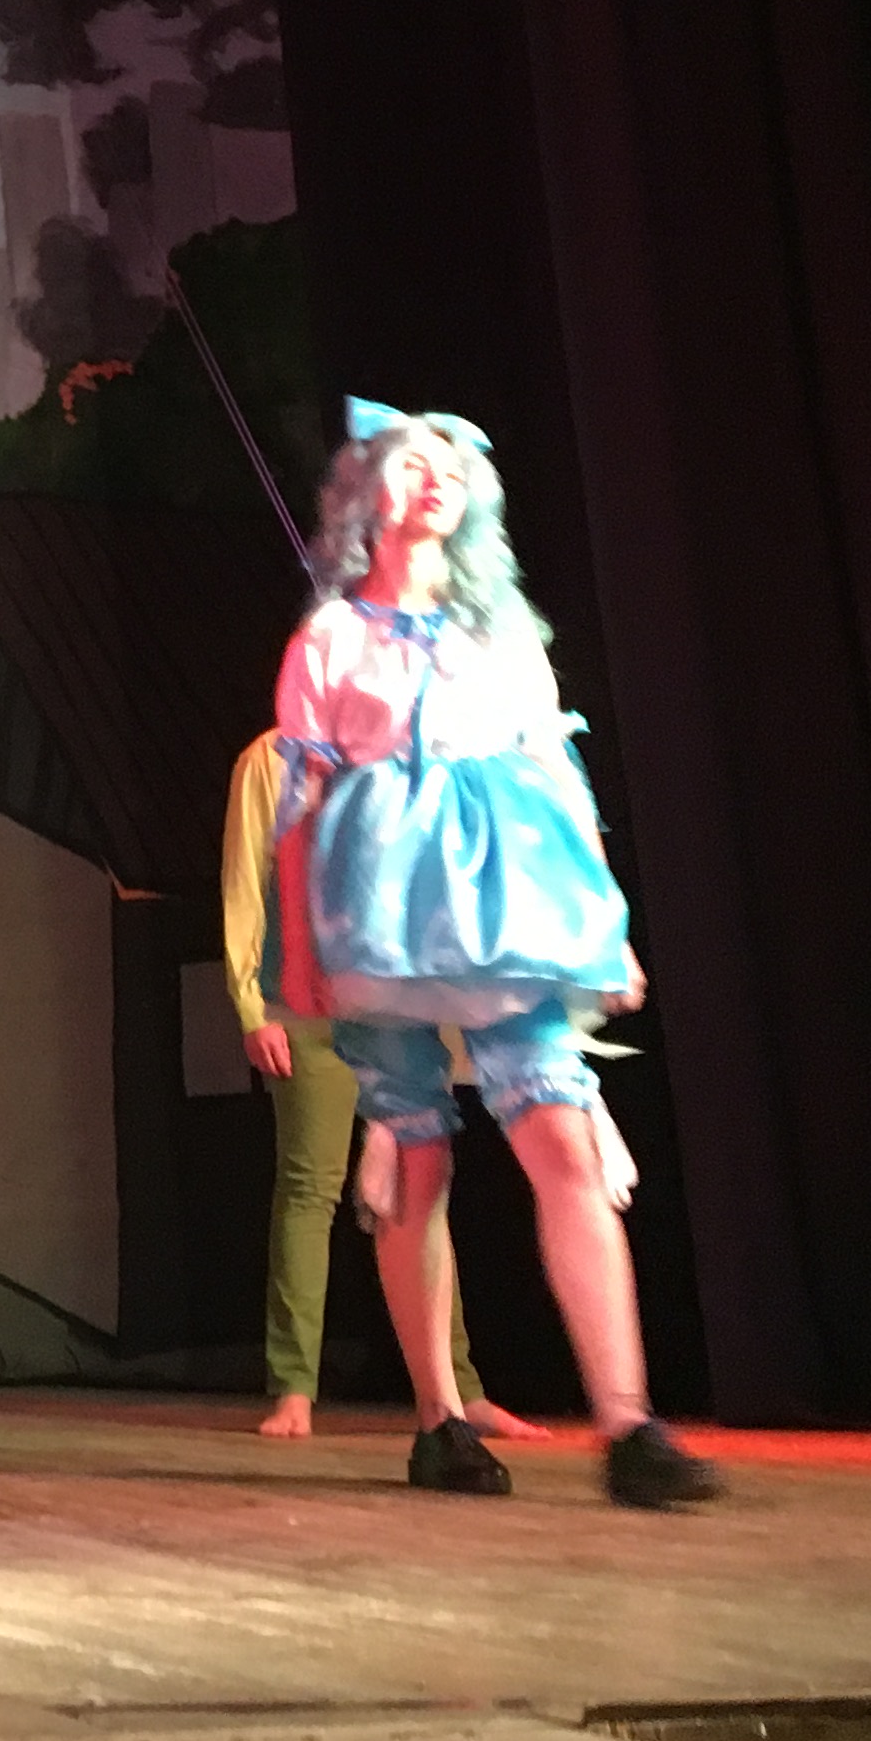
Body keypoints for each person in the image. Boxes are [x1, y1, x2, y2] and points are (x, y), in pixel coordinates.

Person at [270, 400, 720, 1509]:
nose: (435, 479)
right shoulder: (330, 639)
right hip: (381, 913)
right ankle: (440, 1418)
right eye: (411, 462)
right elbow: (299, 810)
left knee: (563, 1139)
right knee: (416, 1154)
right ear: (366, 494)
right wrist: (299, 954)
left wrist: (605, 925)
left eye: (452, 466)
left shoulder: (504, 634)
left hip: (509, 909)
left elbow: (560, 780)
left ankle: (629, 1422)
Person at [217, 729, 540, 1446]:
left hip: (393, 1007)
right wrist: (249, 1005)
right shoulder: (268, 759)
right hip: (305, 1006)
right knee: (311, 1189)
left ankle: (460, 1391)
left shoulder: (397, 749)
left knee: (422, 1188)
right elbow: (244, 883)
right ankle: (294, 1387)